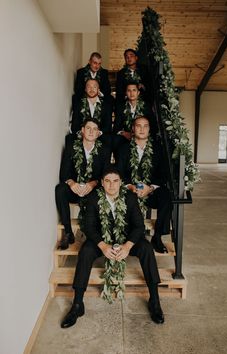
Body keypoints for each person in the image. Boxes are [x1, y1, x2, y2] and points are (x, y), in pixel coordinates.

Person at [60, 166, 164, 328]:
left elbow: (138, 226)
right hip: (102, 239)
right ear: (101, 183)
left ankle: (155, 300)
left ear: (121, 182)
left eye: (115, 181)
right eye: (107, 181)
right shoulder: (94, 197)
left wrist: (128, 246)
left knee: (146, 248)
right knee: (86, 251)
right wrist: (103, 246)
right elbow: (89, 226)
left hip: (126, 239)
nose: (111, 185)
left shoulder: (129, 197)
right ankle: (77, 304)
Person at [117, 116, 171, 253]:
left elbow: (163, 173)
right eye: (138, 126)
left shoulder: (158, 149)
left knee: (166, 196)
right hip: (131, 190)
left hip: (150, 190)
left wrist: (150, 187)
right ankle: (131, 237)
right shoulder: (123, 149)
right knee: (124, 198)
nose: (141, 129)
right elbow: (119, 172)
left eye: (145, 126)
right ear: (133, 129)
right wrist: (130, 186)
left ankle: (157, 237)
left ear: (149, 129)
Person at [55, 118, 111, 250]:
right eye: (88, 128)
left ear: (98, 133)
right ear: (82, 131)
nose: (91, 131)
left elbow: (106, 175)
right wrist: (71, 183)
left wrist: (93, 184)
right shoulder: (71, 147)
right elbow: (64, 173)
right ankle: (68, 233)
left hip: (93, 191)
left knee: (100, 195)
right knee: (60, 189)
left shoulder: (104, 150)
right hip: (75, 189)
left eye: (95, 129)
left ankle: (94, 236)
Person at [113, 82, 157, 157]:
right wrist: (124, 133)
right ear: (126, 93)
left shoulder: (146, 106)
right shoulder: (121, 107)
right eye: (129, 91)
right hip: (127, 137)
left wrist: (142, 136)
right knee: (117, 141)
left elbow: (153, 126)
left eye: (134, 90)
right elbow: (116, 128)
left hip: (143, 137)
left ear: (138, 92)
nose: (131, 93)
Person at [70, 78, 113, 149]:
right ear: (85, 89)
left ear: (98, 90)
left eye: (94, 87)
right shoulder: (78, 104)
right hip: (83, 137)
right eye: (89, 87)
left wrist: (98, 133)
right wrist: (84, 134)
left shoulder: (106, 105)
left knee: (108, 141)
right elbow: (75, 125)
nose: (92, 89)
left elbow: (108, 126)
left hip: (100, 137)